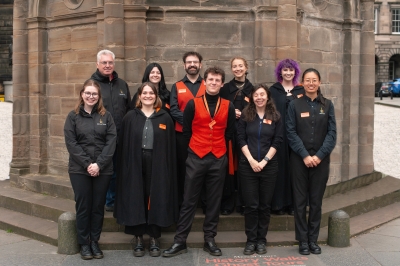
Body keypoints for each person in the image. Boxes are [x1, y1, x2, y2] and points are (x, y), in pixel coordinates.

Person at [163, 66, 236, 258]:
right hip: (196, 156)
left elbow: (230, 132)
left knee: (213, 201)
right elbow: (187, 131)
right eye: (210, 80)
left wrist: (218, 148)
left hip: (218, 158)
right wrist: (195, 149)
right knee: (189, 200)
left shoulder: (228, 105)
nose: (213, 83)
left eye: (217, 80)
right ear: (205, 82)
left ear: (221, 84)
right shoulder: (193, 104)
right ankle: (180, 240)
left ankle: (209, 239)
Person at [114, 82, 178, 257]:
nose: (148, 95)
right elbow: (123, 146)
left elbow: (170, 147)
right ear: (139, 96)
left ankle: (155, 237)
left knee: (155, 196)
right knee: (137, 196)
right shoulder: (130, 117)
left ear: (156, 96)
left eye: (151, 93)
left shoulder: (164, 117)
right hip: (134, 163)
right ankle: (139, 238)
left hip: (157, 163)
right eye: (145, 93)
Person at [64, 79, 117, 260]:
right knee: (84, 206)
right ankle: (84, 243)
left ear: (99, 96)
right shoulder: (73, 116)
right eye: (88, 93)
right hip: (79, 170)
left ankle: (95, 241)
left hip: (103, 169)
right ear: (82, 94)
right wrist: (88, 164)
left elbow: (111, 142)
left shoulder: (106, 116)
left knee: (97, 207)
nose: (91, 96)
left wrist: (99, 164)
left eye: (94, 94)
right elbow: (71, 144)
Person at [286, 68, 337, 255]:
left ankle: (313, 239)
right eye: (307, 80)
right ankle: (302, 241)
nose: (311, 83)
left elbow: (332, 134)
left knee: (316, 202)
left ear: (319, 82)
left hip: (321, 161)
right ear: (303, 83)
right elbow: (290, 132)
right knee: (299, 202)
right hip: (299, 161)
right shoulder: (294, 105)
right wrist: (305, 155)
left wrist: (319, 155)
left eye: (314, 80)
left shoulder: (328, 105)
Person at [237, 84, 283, 255]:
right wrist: (251, 160)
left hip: (269, 167)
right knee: (251, 205)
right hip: (248, 166)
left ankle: (261, 240)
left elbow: (277, 141)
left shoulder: (275, 116)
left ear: (268, 96)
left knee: (264, 206)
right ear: (252, 97)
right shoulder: (245, 115)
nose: (259, 98)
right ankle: (250, 241)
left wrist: (263, 161)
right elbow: (240, 139)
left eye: (262, 94)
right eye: (256, 95)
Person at [91, 49, 131, 212]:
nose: (108, 65)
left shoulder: (122, 84)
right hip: (102, 137)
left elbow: (128, 108)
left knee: (120, 169)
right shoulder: (92, 85)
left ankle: (116, 199)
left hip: (121, 135)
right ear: (97, 64)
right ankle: (106, 201)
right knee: (105, 170)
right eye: (104, 63)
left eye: (110, 63)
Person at [169, 51, 206, 207]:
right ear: (184, 65)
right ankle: (184, 201)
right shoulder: (176, 86)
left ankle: (203, 201)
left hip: (203, 135)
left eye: (195, 62)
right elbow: (174, 109)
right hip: (182, 135)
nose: (192, 64)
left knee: (203, 167)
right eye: (189, 62)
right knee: (184, 167)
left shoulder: (207, 84)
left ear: (200, 65)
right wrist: (191, 122)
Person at [269, 59, 304, 216]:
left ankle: (293, 205)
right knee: (279, 168)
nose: (288, 73)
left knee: (295, 170)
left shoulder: (300, 91)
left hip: (297, 136)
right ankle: (278, 204)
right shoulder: (274, 90)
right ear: (280, 72)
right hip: (279, 134)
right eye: (285, 70)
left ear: (295, 72)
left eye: (291, 70)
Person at [220, 57, 253, 216]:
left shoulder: (253, 89)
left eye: (241, 66)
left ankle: (243, 203)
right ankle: (227, 203)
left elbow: (258, 110)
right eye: (234, 66)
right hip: (227, 133)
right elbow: (218, 108)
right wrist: (230, 112)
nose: (238, 68)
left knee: (244, 169)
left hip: (246, 135)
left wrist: (244, 114)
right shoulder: (224, 89)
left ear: (246, 68)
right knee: (227, 168)